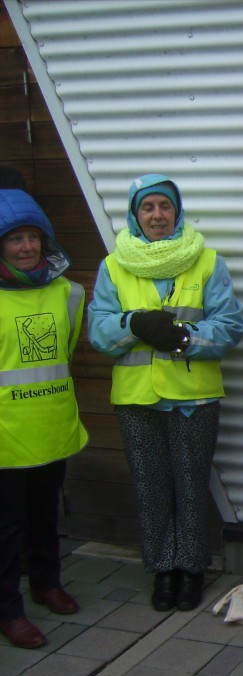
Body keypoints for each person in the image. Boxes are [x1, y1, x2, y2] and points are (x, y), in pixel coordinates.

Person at [87, 174, 243, 613]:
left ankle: (191, 569)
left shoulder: (207, 261)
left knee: (191, 485)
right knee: (150, 486)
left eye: (165, 206)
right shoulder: (114, 265)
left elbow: (230, 326)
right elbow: (98, 330)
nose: (157, 215)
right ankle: (163, 569)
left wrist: (181, 337)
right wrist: (133, 324)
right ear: (135, 216)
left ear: (177, 212)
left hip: (193, 397)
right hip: (137, 400)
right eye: (147, 208)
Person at [0, 188, 88, 648]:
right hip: (5, 440)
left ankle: (46, 583)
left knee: (44, 516)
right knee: (6, 527)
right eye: (15, 239)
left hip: (52, 427)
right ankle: (8, 608)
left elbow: (64, 354)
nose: (27, 247)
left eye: (33, 237)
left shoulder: (68, 293)